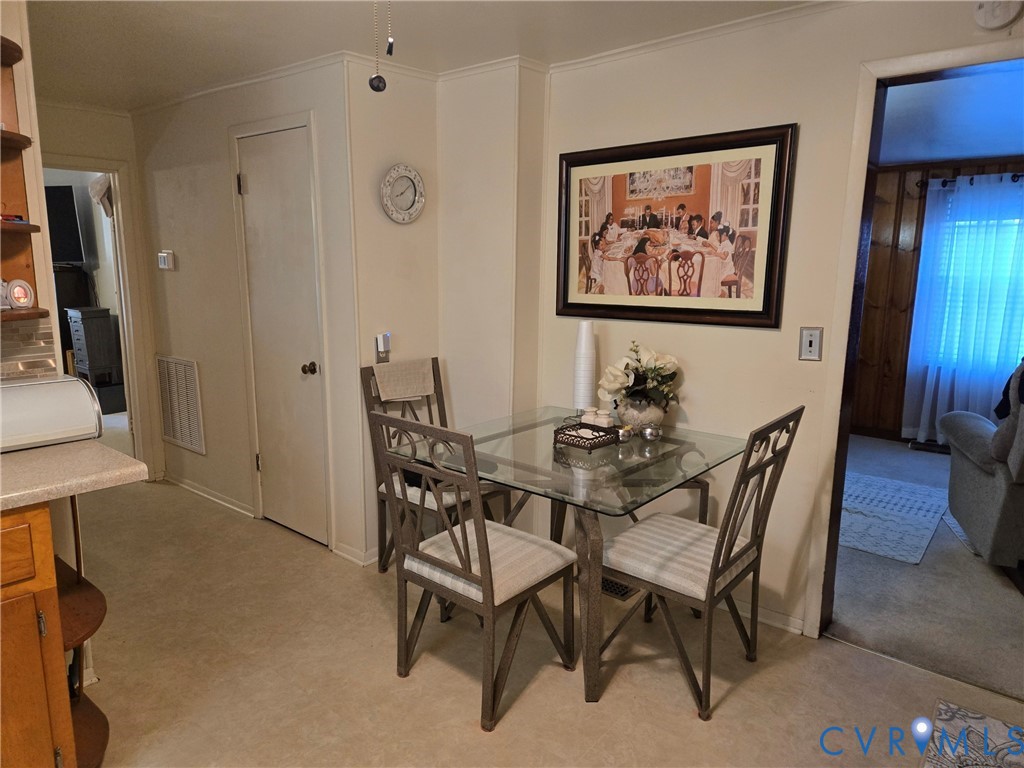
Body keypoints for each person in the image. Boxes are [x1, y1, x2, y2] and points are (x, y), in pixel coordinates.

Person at [699, 223, 736, 298]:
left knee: (712, 276)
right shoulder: (723, 243)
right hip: (723, 266)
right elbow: (719, 250)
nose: (718, 238)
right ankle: (710, 292)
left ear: (725, 234)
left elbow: (724, 256)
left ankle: (716, 294)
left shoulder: (728, 245)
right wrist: (711, 245)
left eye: (719, 236)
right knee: (709, 273)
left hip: (727, 269)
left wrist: (714, 253)